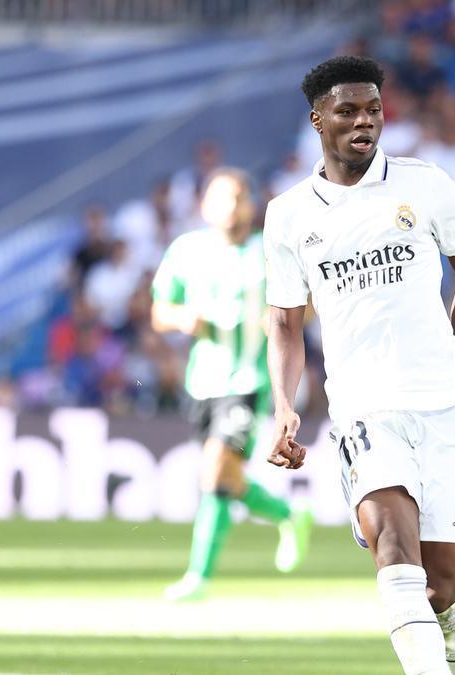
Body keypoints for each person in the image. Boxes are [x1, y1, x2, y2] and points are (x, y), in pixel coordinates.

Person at [264, 56, 455, 675]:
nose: (364, 121)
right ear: (318, 120)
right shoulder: (289, 216)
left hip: (445, 406)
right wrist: (285, 405)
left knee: (443, 589)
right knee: (395, 553)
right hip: (365, 409)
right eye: (348, 111)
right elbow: (285, 322)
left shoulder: (426, 184)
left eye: (373, 109)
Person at [152, 168, 312, 602]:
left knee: (215, 467)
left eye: (239, 196)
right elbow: (159, 309)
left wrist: (281, 322)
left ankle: (197, 578)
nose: (231, 205)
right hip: (202, 381)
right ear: (205, 205)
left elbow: (308, 307)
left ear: (251, 204)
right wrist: (180, 318)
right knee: (224, 480)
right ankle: (288, 513)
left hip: (250, 380)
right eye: (222, 197)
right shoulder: (186, 250)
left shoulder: (269, 252)